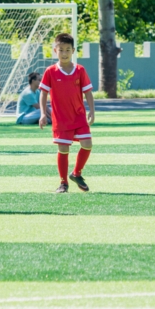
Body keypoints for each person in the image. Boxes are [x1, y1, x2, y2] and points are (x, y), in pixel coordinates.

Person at [38, 33, 95, 193]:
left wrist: (92, 110)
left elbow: (88, 92)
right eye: (61, 49)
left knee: (87, 144)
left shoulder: (80, 70)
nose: (64, 53)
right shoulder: (50, 71)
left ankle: (76, 173)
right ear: (55, 51)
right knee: (63, 149)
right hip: (61, 119)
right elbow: (43, 93)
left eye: (67, 50)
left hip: (79, 116)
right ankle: (63, 183)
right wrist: (43, 114)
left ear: (73, 51)